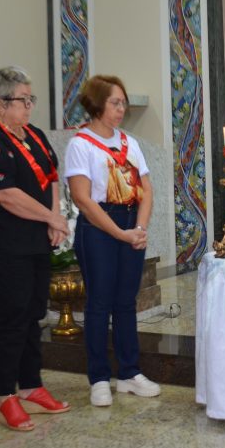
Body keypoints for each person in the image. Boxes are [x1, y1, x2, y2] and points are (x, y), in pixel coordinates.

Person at [0, 66, 72, 431]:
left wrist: (53, 218)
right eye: (22, 100)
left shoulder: (35, 135)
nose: (29, 106)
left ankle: (31, 386)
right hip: (3, 239)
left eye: (31, 99)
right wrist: (51, 218)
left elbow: (53, 178)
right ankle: (5, 395)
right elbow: (5, 194)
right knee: (9, 317)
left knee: (33, 313)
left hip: (35, 238)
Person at [64, 75, 159, 406]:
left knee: (125, 302)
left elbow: (146, 189)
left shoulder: (129, 143)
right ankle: (99, 377)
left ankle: (130, 373)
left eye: (123, 103)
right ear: (96, 103)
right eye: (115, 103)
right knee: (99, 302)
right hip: (99, 227)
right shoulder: (81, 144)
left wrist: (140, 227)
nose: (121, 109)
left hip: (132, 223)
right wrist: (119, 233)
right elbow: (83, 199)